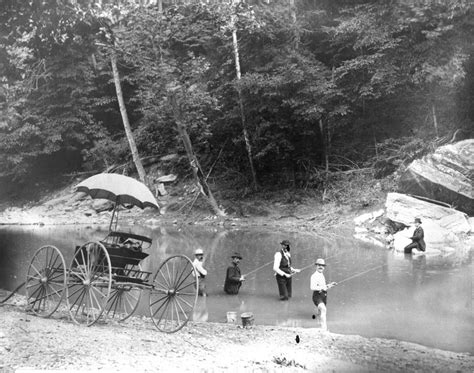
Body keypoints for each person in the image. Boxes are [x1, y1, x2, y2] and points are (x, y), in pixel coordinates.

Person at [310, 258, 336, 331]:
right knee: (323, 309)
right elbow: (312, 287)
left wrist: (330, 285)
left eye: (322, 266)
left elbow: (323, 287)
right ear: (316, 266)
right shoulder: (314, 276)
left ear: (324, 267)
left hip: (324, 296)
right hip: (317, 296)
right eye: (319, 265)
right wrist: (323, 287)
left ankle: (318, 325)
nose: (321, 267)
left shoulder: (322, 275)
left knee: (321, 311)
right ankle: (324, 329)